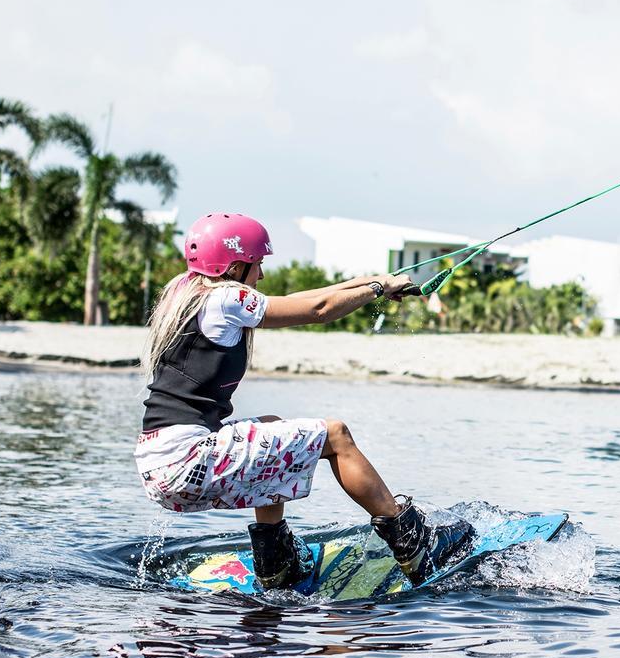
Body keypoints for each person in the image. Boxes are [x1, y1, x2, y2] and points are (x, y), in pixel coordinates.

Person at [135, 212, 472, 590]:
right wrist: (376, 291)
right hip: (189, 458)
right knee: (336, 436)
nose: (260, 274)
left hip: (161, 464)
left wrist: (377, 282)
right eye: (257, 264)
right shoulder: (225, 299)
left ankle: (276, 563)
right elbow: (319, 310)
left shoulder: (187, 292)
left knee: (271, 427)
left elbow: (302, 299)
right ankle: (413, 544)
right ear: (233, 264)